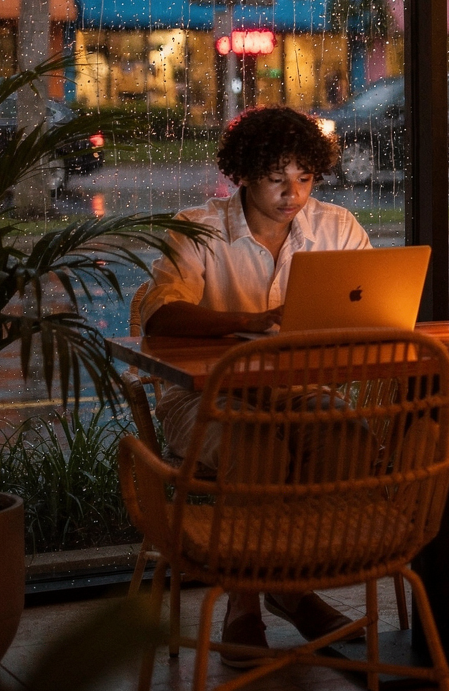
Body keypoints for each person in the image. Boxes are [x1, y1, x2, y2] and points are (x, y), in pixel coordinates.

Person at [138, 106, 369, 664]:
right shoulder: (199, 227)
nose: (294, 193)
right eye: (277, 178)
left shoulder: (335, 227)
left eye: (305, 178)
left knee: (346, 433)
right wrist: (253, 324)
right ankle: (247, 604)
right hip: (200, 394)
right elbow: (160, 316)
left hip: (296, 387)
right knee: (256, 443)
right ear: (243, 173)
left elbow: (371, 302)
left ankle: (289, 583)